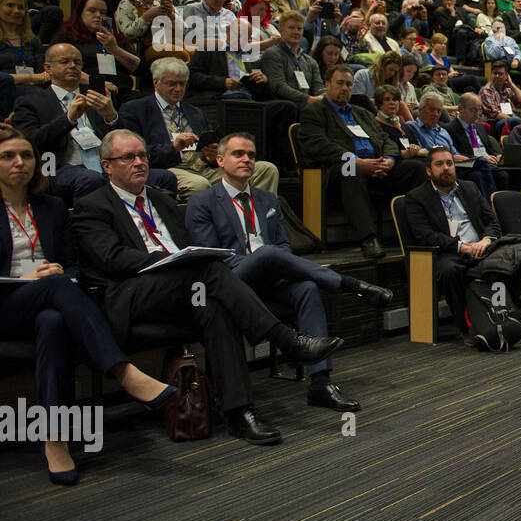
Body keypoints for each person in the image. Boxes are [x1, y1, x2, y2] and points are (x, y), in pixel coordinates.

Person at [73, 129, 343, 445]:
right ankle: (284, 338)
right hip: (131, 292)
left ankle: (239, 412)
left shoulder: (161, 198)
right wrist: (169, 261)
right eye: (128, 157)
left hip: (182, 288)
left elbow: (187, 246)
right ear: (106, 166)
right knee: (209, 273)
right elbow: (111, 258)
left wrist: (183, 260)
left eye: (143, 155)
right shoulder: (92, 205)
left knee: (215, 305)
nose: (139, 162)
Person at [0, 128, 178, 485]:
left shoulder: (50, 207)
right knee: (52, 288)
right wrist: (40, 279)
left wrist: (60, 270)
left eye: (27, 155)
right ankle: (124, 373)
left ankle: (55, 440)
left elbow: (76, 265)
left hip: (49, 304)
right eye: (8, 156)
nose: (20, 162)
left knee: (53, 322)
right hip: (4, 305)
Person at [185, 133, 392, 410]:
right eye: (238, 154)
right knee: (267, 253)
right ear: (220, 160)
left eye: (251, 154)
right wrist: (261, 261)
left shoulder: (268, 200)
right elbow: (211, 258)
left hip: (270, 276)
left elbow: (283, 244)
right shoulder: (203, 202)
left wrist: (270, 264)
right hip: (230, 279)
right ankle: (351, 285)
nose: (247, 159)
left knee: (306, 288)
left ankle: (320, 383)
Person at [11, 43, 178, 200]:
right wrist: (68, 119)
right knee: (91, 179)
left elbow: (126, 140)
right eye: (64, 62)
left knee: (166, 178)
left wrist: (111, 117)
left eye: (77, 62)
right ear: (48, 68)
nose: (72, 66)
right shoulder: (31, 102)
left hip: (109, 166)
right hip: (59, 167)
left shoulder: (96, 98)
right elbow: (31, 142)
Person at [295, 63, 427, 259]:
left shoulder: (362, 112)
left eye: (349, 84)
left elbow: (385, 139)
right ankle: (368, 239)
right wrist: (357, 161)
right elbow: (318, 146)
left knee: (415, 168)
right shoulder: (314, 111)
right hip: (336, 169)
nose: (345, 88)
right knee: (351, 170)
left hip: (377, 165)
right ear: (327, 84)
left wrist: (389, 161)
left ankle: (419, 232)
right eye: (340, 83)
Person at [118, 58, 279, 199]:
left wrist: (214, 154)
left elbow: (211, 146)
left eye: (182, 84)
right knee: (199, 184)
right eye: (172, 84)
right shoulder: (135, 110)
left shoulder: (196, 112)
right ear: (156, 82)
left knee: (266, 169)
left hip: (205, 167)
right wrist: (173, 148)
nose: (178, 89)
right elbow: (136, 154)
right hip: (170, 168)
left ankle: (258, 224)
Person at [404, 145, 503, 346]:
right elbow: (425, 235)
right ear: (429, 171)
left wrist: (486, 240)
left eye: (449, 163)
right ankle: (464, 328)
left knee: (509, 260)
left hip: (481, 247)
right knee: (450, 270)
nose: (446, 168)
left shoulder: (470, 188)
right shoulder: (416, 198)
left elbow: (492, 222)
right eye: (439, 164)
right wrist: (462, 247)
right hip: (448, 251)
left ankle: (504, 317)